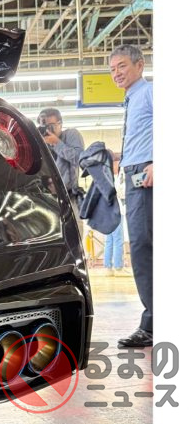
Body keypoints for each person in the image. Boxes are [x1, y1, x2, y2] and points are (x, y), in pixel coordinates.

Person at [109, 44, 153, 348]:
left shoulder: (149, 92)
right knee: (144, 247)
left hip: (147, 174)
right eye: (112, 69)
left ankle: (152, 324)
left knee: (142, 247)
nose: (116, 73)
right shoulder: (132, 98)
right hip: (136, 173)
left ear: (140, 65)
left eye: (122, 66)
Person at [38, 108, 85, 233]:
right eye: (43, 126)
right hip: (47, 200)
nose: (47, 130)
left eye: (51, 126)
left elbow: (79, 158)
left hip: (69, 197)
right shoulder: (41, 143)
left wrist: (56, 143)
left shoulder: (71, 135)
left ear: (60, 124)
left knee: (74, 235)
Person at [103, 152, 126, 276]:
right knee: (117, 239)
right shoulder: (114, 178)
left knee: (110, 240)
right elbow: (121, 193)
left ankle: (108, 267)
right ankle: (118, 267)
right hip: (115, 212)